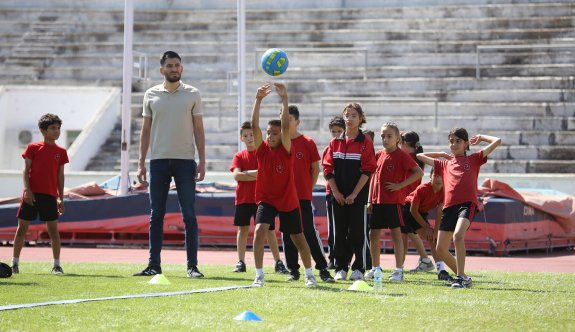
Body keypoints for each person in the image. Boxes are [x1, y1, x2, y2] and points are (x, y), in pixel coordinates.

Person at [133, 51, 206, 278]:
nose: (174, 69)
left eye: (177, 65)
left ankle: (192, 267)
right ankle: (154, 265)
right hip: (158, 162)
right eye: (170, 65)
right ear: (162, 69)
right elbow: (145, 131)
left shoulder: (193, 93)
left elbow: (199, 130)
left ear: (181, 68)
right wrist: (140, 163)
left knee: (189, 215)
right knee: (156, 215)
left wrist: (202, 161)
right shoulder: (150, 94)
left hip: (185, 162)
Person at [250, 83, 317, 287]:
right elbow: (254, 127)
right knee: (260, 230)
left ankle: (309, 274)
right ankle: (259, 275)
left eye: (275, 134)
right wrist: (258, 99)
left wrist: (285, 98)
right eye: (269, 133)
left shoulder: (287, 150)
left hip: (288, 200)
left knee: (298, 238)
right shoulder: (262, 151)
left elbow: (286, 127)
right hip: (267, 199)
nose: (270, 136)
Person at [417, 128, 501, 288]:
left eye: (458, 141)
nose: (454, 144)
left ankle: (461, 277)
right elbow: (419, 156)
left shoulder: (474, 159)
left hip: (467, 205)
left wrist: (482, 137)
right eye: (451, 141)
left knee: (458, 236)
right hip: (449, 208)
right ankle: (463, 276)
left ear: (466, 143)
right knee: (440, 248)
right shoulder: (444, 164)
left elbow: (497, 141)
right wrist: (441, 154)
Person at [322, 103, 377, 281]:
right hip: (336, 197)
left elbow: (368, 170)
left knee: (357, 232)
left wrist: (354, 194)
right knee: (338, 233)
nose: (350, 118)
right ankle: (340, 268)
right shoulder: (334, 142)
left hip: (357, 197)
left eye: (354, 115)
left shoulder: (365, 143)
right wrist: (336, 192)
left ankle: (359, 268)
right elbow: (328, 169)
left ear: (361, 119)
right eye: (347, 115)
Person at [281, 105, 335, 283]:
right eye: (282, 118)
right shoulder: (278, 142)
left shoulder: (307, 142)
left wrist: (308, 189)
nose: (285, 122)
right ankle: (293, 270)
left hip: (302, 197)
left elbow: (315, 169)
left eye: (289, 119)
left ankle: (322, 269)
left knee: (309, 232)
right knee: (288, 233)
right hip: (284, 198)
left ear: (297, 122)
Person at [366, 122, 423, 282]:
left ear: (397, 138)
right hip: (377, 202)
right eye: (383, 136)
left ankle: (398, 271)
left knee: (396, 234)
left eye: (389, 136)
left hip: (393, 202)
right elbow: (373, 178)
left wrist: (400, 186)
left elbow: (418, 172)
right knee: (373, 234)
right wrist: (370, 199)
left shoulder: (401, 155)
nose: (385, 139)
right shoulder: (378, 154)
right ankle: (375, 268)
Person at [12, 113, 69, 275]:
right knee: (21, 230)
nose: (56, 131)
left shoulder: (61, 152)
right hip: (32, 195)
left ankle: (56, 265)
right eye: (53, 128)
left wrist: (61, 198)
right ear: (43, 131)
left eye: (58, 128)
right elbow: (25, 171)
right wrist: (28, 191)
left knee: (53, 232)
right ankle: (14, 264)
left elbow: (60, 176)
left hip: (50, 196)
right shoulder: (33, 148)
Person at [230, 121, 288, 274]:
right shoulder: (239, 156)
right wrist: (256, 174)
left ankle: (278, 262)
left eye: (252, 135)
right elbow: (237, 175)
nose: (250, 138)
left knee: (268, 230)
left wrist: (247, 173)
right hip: (243, 198)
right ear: (241, 138)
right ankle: (240, 261)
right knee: (242, 230)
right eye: (246, 136)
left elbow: (265, 173)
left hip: (262, 199)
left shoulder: (264, 152)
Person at [400, 169, 451, 280]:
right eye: (436, 175)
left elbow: (439, 212)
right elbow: (413, 210)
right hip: (407, 211)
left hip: (420, 213)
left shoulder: (445, 190)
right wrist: (427, 227)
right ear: (430, 176)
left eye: (441, 176)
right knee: (402, 242)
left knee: (433, 238)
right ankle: (398, 271)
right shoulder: (422, 189)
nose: (438, 179)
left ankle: (441, 270)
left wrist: (436, 230)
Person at [399, 130, 434, 274]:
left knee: (405, 233)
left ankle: (400, 266)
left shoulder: (406, 157)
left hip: (404, 198)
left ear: (405, 144)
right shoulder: (418, 156)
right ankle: (424, 259)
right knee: (408, 232)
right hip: (412, 198)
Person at [323, 116, 345, 269]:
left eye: (339, 131)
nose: (337, 134)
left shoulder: (350, 146)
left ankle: (348, 259)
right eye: (333, 131)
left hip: (350, 193)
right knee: (334, 228)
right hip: (332, 193)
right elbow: (327, 170)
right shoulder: (330, 147)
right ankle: (333, 258)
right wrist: (335, 191)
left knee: (349, 229)